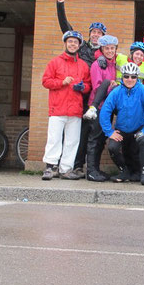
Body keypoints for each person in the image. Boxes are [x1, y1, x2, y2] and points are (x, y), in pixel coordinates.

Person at [56, 0, 106, 177]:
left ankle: (92, 168)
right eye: (93, 32)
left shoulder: (105, 53)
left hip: (96, 99)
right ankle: (76, 165)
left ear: (103, 37)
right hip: (78, 96)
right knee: (78, 133)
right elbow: (66, 28)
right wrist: (60, 5)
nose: (95, 35)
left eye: (99, 33)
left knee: (95, 135)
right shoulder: (81, 47)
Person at [40, 30, 92, 180]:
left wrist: (83, 88)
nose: (73, 44)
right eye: (70, 41)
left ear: (79, 45)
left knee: (72, 141)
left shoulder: (83, 65)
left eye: (76, 42)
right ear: (65, 43)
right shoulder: (55, 62)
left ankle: (65, 169)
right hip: (58, 108)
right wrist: (62, 82)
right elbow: (45, 81)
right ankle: (50, 167)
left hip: (75, 109)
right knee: (54, 139)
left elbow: (88, 85)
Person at [99, 62, 144, 186]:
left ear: (137, 78)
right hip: (122, 128)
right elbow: (105, 111)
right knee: (112, 148)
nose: (130, 79)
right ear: (122, 77)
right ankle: (124, 171)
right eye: (126, 76)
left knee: (143, 141)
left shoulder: (143, 90)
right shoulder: (116, 92)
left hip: (139, 127)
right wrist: (109, 132)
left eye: (133, 77)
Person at [84, 34, 119, 182]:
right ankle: (91, 171)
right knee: (95, 138)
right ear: (102, 49)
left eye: (112, 48)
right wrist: (113, 88)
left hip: (108, 107)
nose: (110, 51)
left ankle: (96, 169)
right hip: (98, 105)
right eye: (107, 48)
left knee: (102, 138)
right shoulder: (97, 64)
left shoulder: (113, 63)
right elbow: (98, 86)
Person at [85, 41, 144, 120]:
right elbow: (109, 53)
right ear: (131, 53)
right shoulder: (121, 58)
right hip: (116, 90)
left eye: (141, 55)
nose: (139, 57)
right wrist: (100, 56)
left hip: (129, 96)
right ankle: (93, 108)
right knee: (107, 82)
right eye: (137, 54)